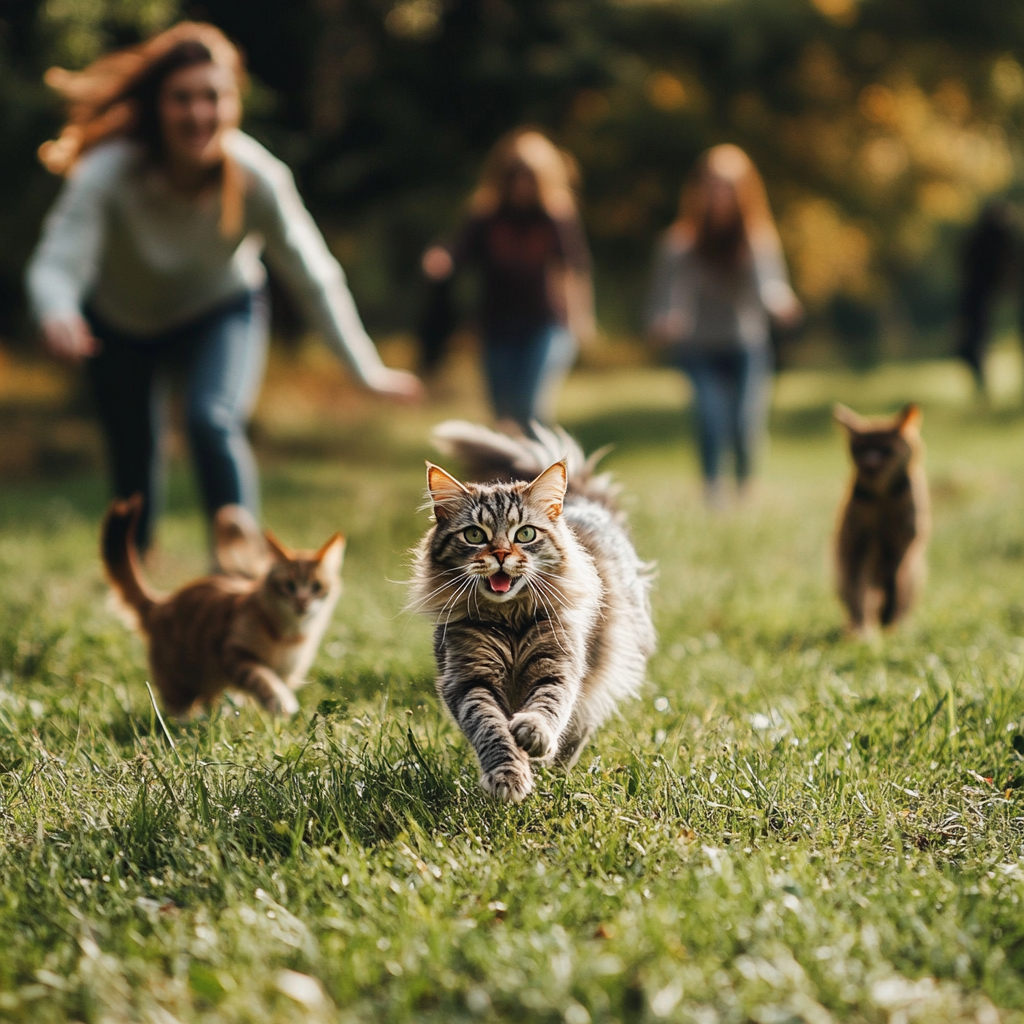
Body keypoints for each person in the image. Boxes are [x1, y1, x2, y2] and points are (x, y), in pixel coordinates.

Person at [27, 22, 422, 552]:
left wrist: (364, 368)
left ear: (235, 102)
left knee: (211, 422)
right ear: (156, 106)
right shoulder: (108, 172)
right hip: (120, 323)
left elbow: (313, 274)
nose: (198, 114)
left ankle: (238, 577)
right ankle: (133, 581)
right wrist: (59, 312)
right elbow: (56, 263)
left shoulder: (258, 176)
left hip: (220, 310)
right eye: (181, 99)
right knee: (133, 454)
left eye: (213, 97)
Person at [646, 145, 801, 505]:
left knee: (746, 424)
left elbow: (770, 285)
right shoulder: (679, 243)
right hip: (698, 347)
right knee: (711, 417)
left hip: (745, 344)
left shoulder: (756, 238)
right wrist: (666, 320)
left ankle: (746, 492)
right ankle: (713, 493)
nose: (719, 196)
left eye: (728, 187)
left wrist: (780, 303)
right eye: (713, 186)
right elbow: (668, 297)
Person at [421, 127, 595, 431]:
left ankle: (546, 477)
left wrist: (581, 318)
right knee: (502, 414)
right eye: (514, 176)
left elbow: (574, 268)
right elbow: (460, 249)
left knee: (531, 408)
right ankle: (508, 475)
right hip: (497, 326)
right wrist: (443, 259)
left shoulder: (555, 216)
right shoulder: (486, 215)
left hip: (544, 324)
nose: (521, 185)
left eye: (528, 177)